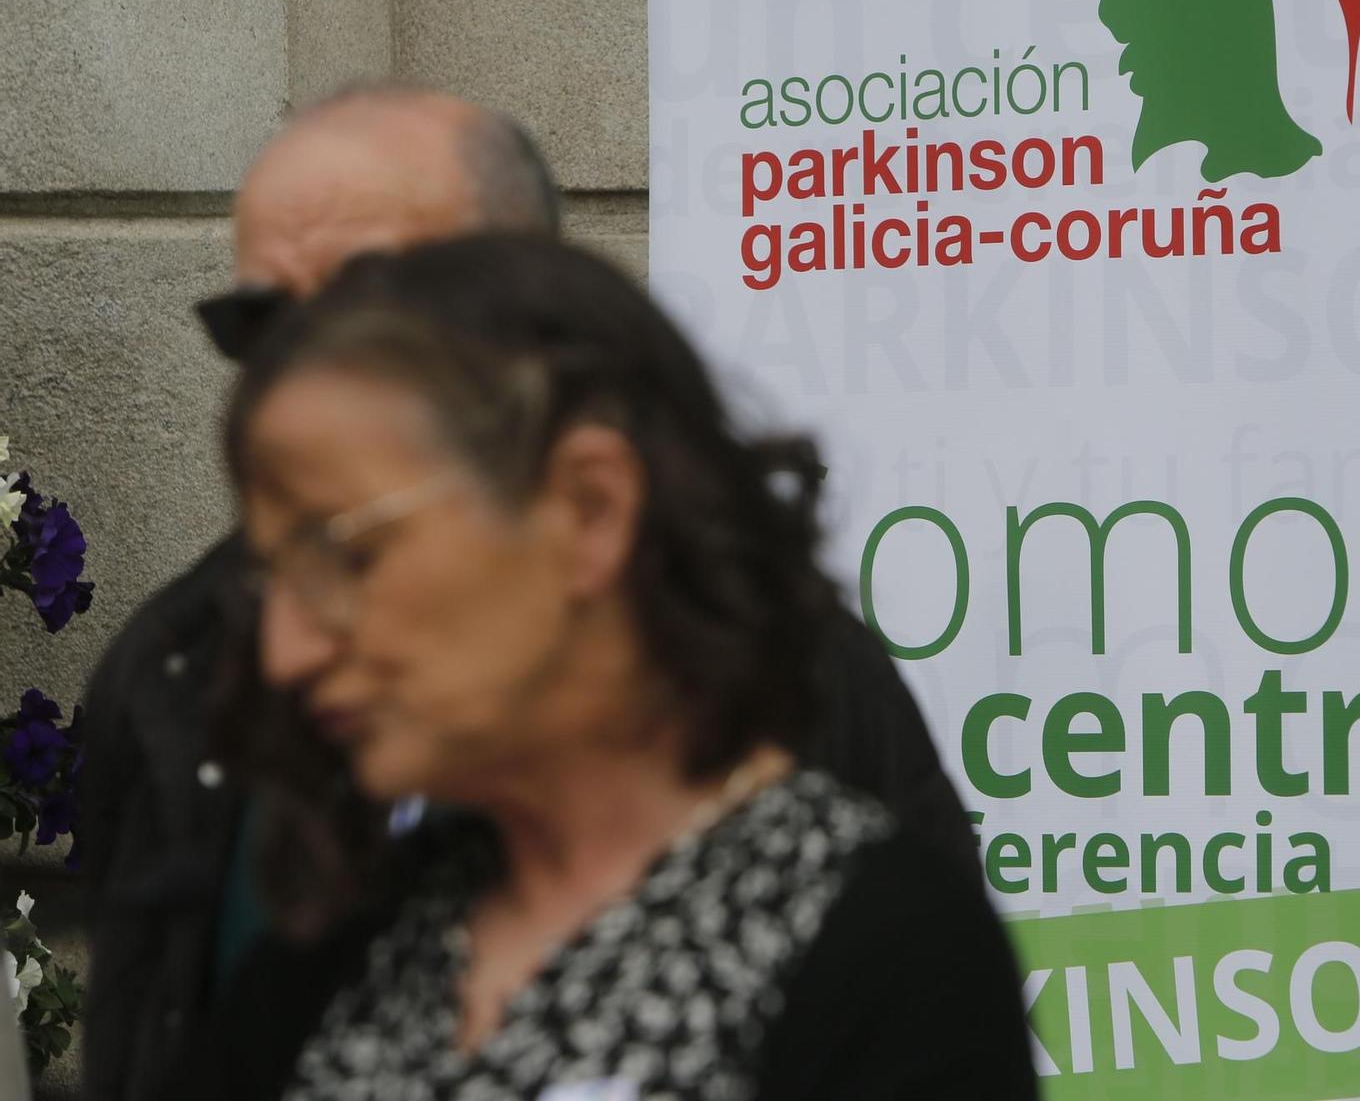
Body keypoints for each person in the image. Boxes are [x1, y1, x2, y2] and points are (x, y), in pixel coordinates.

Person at [80, 87, 968, 1101]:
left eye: (376, 304)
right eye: (263, 322)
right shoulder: (178, 669)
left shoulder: (825, 766)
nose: (311, 364)